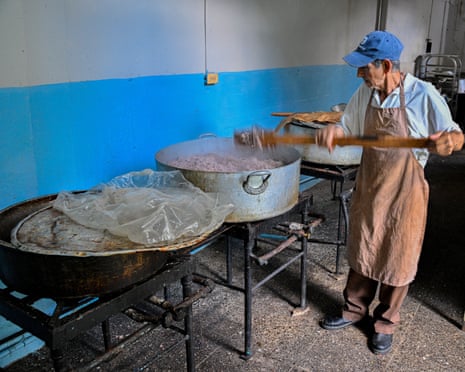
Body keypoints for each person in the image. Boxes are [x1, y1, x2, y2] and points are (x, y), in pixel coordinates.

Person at [316, 30, 464, 355]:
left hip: (406, 191)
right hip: (370, 187)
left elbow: (456, 135)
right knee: (363, 247)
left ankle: (385, 322)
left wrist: (448, 142)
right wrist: (334, 130)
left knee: (399, 255)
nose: (358, 73)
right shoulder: (365, 94)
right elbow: (348, 126)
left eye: (363, 67)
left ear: (384, 64)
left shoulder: (422, 95)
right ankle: (354, 310)